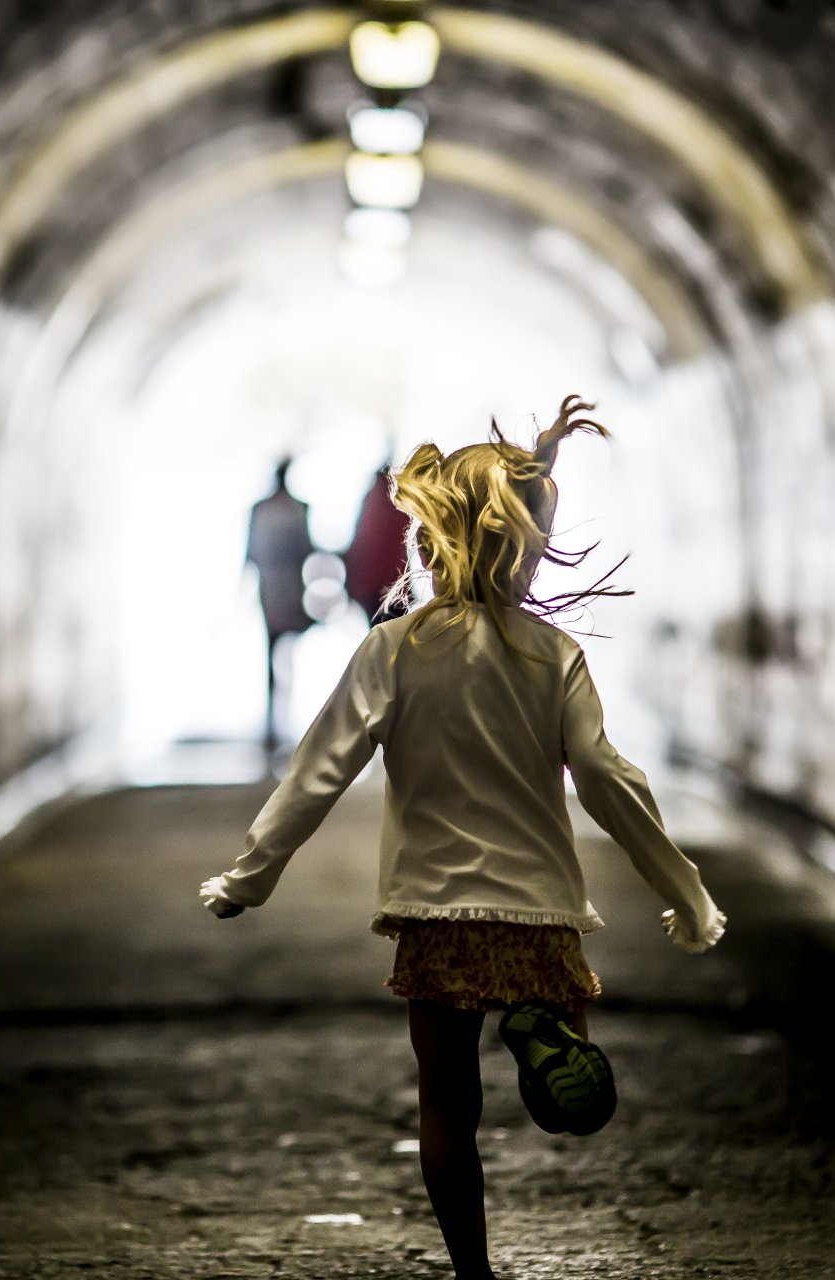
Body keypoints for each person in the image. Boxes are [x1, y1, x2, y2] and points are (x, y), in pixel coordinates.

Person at [199, 397, 725, 1280]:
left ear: (429, 541)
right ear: (527, 546)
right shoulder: (553, 655)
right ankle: (540, 1030)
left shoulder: (394, 649)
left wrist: (248, 877)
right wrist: (688, 892)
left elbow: (317, 773)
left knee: (444, 1101)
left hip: (437, 913)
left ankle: (474, 1277)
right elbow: (606, 780)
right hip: (542, 914)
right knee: (566, 1094)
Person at [245, 459, 316, 749]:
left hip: (269, 590)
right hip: (290, 588)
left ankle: (274, 716)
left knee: (272, 651)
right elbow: (308, 549)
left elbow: (249, 553)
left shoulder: (260, 510)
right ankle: (280, 713)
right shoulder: (298, 509)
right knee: (286, 653)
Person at [343, 462, 412, 625]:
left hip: (379, 587)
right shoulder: (395, 505)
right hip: (392, 587)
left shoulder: (373, 503)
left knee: (383, 636)